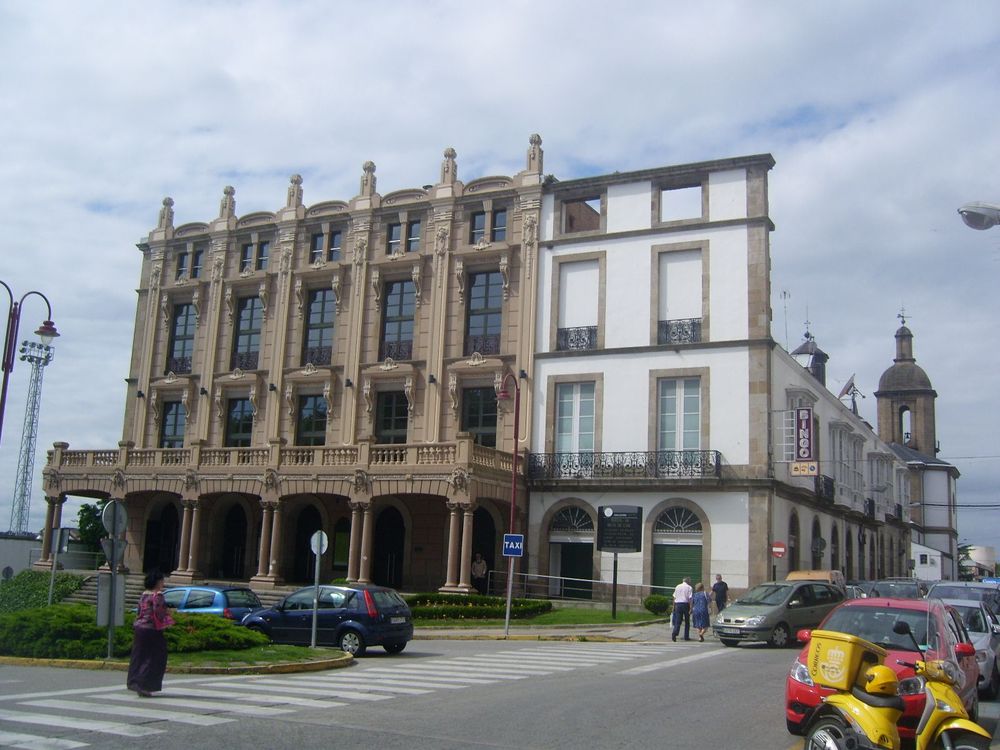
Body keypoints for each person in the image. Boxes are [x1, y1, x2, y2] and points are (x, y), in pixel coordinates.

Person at [127, 570, 174, 697]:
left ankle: (134, 681)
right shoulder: (158, 596)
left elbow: (139, 611)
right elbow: (159, 613)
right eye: (162, 581)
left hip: (139, 627)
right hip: (152, 629)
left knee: (139, 656)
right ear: (158, 582)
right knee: (155, 656)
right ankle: (144, 684)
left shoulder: (144, 595)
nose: (163, 583)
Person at [671, 576, 693, 642]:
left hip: (678, 604)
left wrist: (673, 606)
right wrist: (691, 607)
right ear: (688, 581)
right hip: (685, 604)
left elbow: (674, 597)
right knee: (687, 621)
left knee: (678, 620)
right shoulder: (689, 587)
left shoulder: (677, 586)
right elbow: (690, 598)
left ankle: (675, 633)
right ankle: (686, 636)